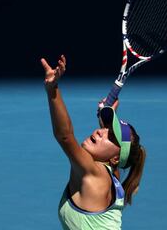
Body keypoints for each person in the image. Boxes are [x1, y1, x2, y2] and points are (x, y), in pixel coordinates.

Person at [41, 55, 146, 230]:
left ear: (114, 158)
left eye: (111, 137)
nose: (100, 132)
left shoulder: (94, 173)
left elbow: (65, 136)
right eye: (106, 129)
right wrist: (105, 117)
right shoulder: (113, 176)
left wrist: (53, 90)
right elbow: (108, 146)